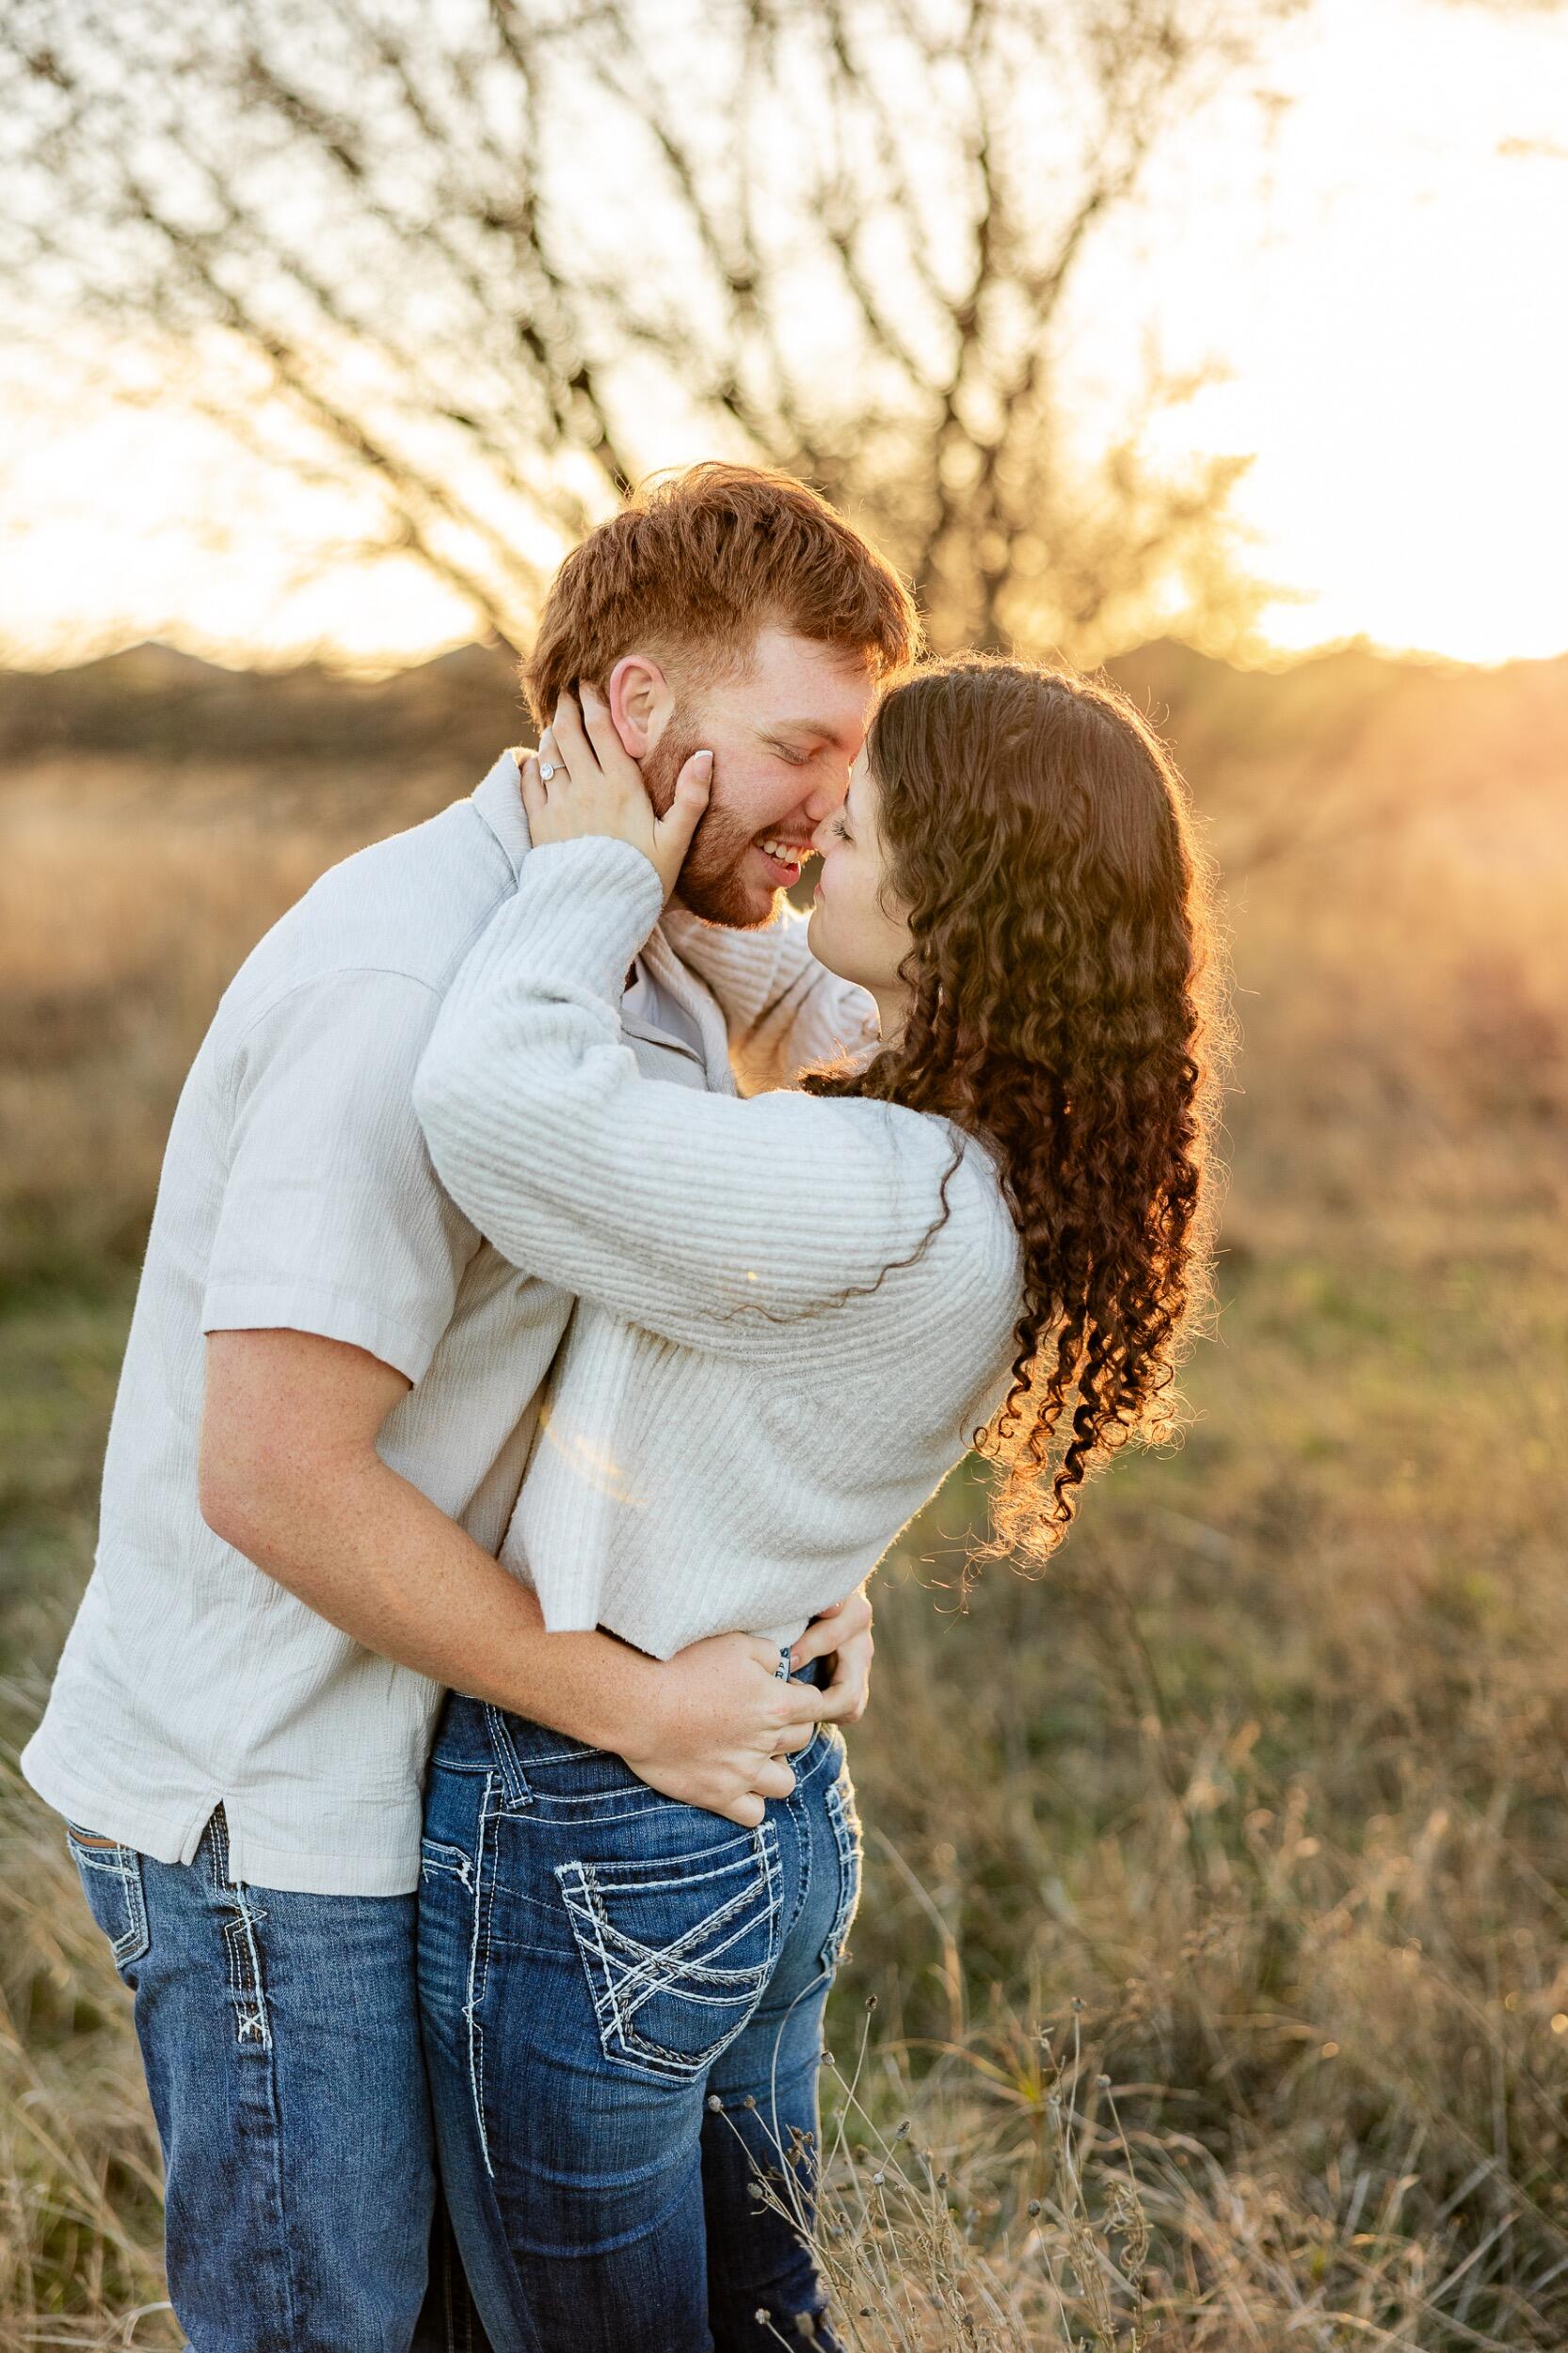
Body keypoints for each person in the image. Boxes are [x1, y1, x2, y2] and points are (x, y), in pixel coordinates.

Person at [19, 464, 920, 2353]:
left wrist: (791, 1553)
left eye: (857, 751)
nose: (828, 807)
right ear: (638, 715)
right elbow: (272, 1475)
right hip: (271, 1798)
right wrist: (633, 1700)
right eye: (798, 745)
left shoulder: (649, 919)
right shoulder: (397, 976)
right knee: (332, 2324)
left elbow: (878, 1055)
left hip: (432, 1755)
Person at [409, 652, 1228, 2351]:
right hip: (759, 1810)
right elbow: (794, 992)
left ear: (953, 909)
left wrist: (583, 875)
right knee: (766, 2315)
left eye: (849, 839)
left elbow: (492, 1105)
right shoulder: (987, 1153)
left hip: (600, 1822)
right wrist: (679, 853)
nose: (814, 861)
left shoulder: (866, 1188)